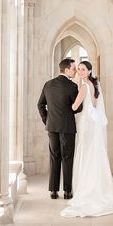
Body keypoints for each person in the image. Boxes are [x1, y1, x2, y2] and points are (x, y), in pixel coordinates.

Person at [60, 60, 113, 217]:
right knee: (92, 154)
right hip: (92, 123)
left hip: (86, 124)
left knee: (86, 154)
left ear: (89, 71)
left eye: (83, 69)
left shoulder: (85, 86)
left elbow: (74, 106)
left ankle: (88, 190)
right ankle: (96, 186)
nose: (80, 72)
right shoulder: (94, 85)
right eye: (78, 69)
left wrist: (65, 102)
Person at [37, 58, 83, 199]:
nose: (75, 71)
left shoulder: (48, 85)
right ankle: (68, 191)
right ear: (66, 69)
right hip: (67, 127)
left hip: (52, 126)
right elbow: (78, 108)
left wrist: (47, 120)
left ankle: (53, 191)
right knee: (67, 158)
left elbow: (40, 105)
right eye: (74, 68)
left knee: (54, 157)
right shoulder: (72, 86)